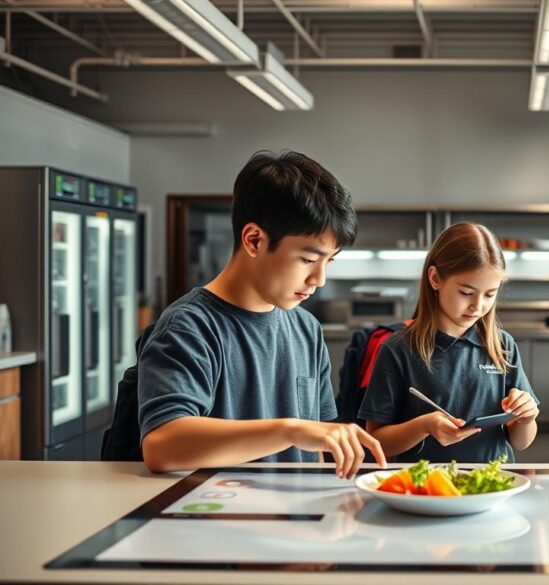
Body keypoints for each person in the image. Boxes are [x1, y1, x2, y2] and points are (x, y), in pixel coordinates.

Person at [138, 151, 386, 478]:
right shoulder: (190, 326)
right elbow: (161, 446)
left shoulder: (306, 329)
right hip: (218, 521)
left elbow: (321, 447)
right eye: (308, 259)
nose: (319, 279)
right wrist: (289, 430)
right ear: (254, 240)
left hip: (298, 522)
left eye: (330, 262)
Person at [359, 222, 540, 463]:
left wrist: (526, 418)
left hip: (490, 486)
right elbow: (377, 441)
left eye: (490, 294)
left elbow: (521, 442)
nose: (478, 306)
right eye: (466, 292)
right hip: (425, 490)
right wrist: (424, 426)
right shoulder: (397, 349)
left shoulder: (502, 346)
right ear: (435, 278)